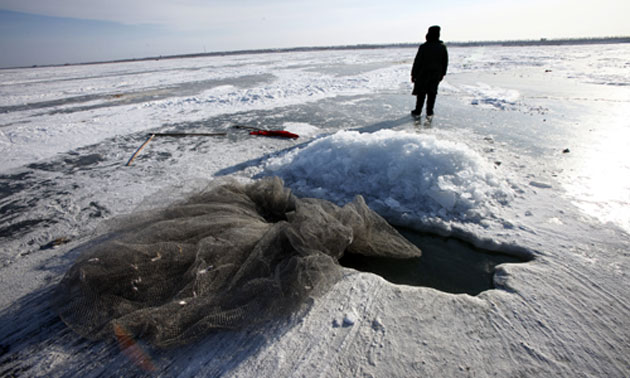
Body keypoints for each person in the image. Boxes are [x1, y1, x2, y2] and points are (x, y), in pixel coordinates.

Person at [411, 25, 448, 120]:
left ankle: (418, 110)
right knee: (432, 93)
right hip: (435, 74)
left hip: (422, 74)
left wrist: (413, 74)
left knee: (421, 93)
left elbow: (417, 61)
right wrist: (442, 74)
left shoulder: (424, 47)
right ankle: (429, 111)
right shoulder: (442, 47)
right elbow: (445, 62)